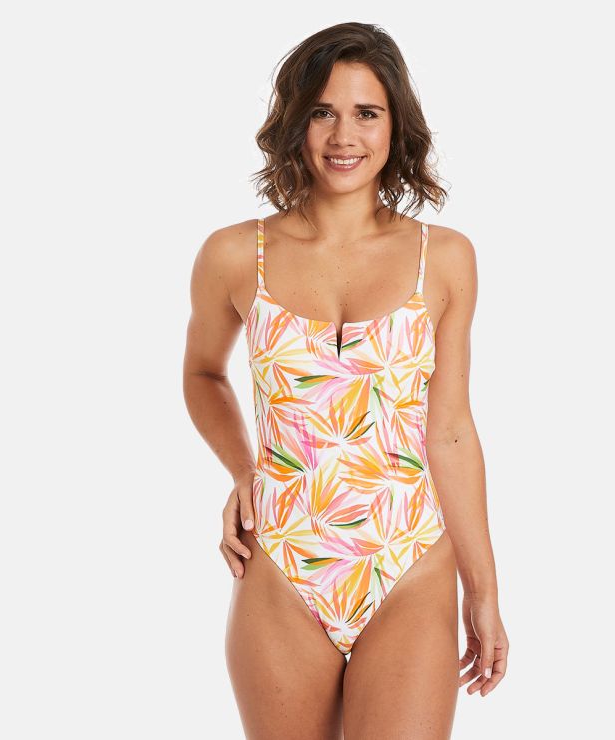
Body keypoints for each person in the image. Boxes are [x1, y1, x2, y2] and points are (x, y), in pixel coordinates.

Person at [183, 21, 508, 740]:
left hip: (410, 562)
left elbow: (452, 430)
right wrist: (243, 469)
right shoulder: (235, 254)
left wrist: (483, 591)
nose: (343, 136)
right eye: (323, 112)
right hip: (282, 561)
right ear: (295, 122)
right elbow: (203, 374)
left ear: (396, 125)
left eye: (367, 112)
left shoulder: (443, 258)